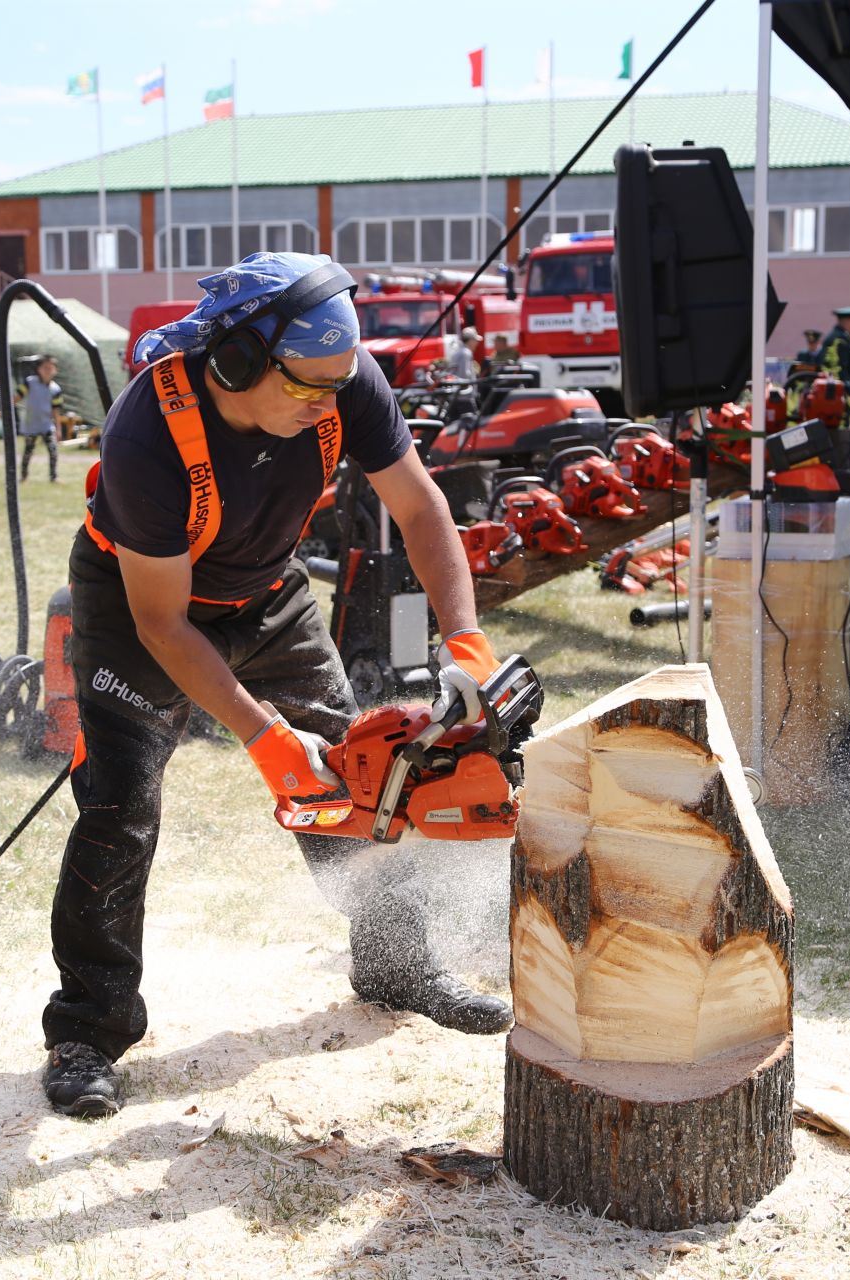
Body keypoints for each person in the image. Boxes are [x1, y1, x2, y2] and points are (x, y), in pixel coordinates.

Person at [39, 252, 516, 1120]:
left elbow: (420, 509)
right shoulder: (149, 430)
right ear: (236, 362)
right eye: (307, 390)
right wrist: (263, 739)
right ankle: (88, 1027)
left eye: (340, 385)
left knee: (359, 775)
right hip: (141, 604)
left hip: (267, 590)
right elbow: (164, 624)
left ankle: (397, 964)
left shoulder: (341, 375)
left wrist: (467, 642)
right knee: (118, 804)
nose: (329, 405)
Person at [19, 355, 63, 482]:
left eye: (51, 368)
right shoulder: (29, 382)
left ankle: (53, 477)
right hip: (31, 424)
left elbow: (56, 410)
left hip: (46, 424)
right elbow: (17, 397)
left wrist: (58, 429)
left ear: (55, 370)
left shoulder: (56, 389)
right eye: (45, 367)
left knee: (53, 451)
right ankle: (23, 476)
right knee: (28, 451)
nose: (48, 370)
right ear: (39, 369)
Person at [819, 306, 850, 391]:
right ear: (848, 321)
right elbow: (841, 368)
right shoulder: (840, 340)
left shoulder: (837, 336)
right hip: (836, 390)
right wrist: (849, 390)